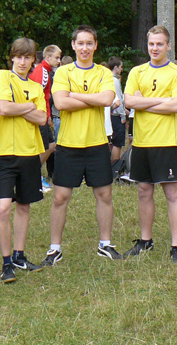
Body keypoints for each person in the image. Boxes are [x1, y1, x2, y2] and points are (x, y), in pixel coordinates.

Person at [43, 25, 121, 265]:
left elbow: (107, 99)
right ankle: (55, 249)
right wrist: (93, 100)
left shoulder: (103, 73)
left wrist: (74, 95)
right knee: (60, 197)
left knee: (104, 194)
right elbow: (60, 103)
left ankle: (105, 245)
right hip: (69, 144)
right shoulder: (63, 72)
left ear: (95, 45)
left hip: (97, 143)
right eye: (81, 43)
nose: (85, 48)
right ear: (73, 45)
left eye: (89, 43)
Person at [122, 26, 177, 263]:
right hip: (142, 141)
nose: (155, 48)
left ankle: (176, 246)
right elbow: (129, 102)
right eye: (151, 44)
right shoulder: (137, 71)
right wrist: (162, 101)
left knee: (171, 192)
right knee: (144, 190)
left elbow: (176, 106)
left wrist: (144, 102)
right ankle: (145, 241)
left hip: (167, 141)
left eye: (160, 44)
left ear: (168, 46)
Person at [0, 38, 48, 283]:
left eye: (27, 57)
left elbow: (43, 119)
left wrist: (19, 107)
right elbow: (3, 109)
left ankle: (19, 255)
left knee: (24, 206)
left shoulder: (36, 87)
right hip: (5, 154)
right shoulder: (3, 76)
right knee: (3, 208)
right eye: (19, 57)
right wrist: (29, 108)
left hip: (30, 153)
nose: (23, 62)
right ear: (12, 57)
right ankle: (6, 263)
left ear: (33, 60)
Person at [29, 44, 62, 189]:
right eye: (56, 57)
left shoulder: (46, 71)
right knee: (44, 147)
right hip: (39, 116)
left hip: (44, 116)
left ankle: (35, 174)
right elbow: (38, 95)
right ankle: (33, 175)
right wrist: (43, 114)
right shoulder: (41, 71)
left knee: (50, 145)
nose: (59, 61)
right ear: (47, 57)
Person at [108, 56, 127, 162]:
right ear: (116, 67)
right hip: (116, 116)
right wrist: (123, 115)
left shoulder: (107, 79)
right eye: (120, 67)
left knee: (112, 141)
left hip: (110, 114)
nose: (121, 69)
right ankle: (115, 165)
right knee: (117, 143)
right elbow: (119, 100)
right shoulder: (115, 81)